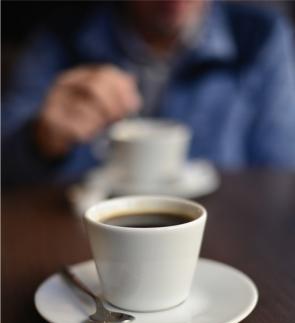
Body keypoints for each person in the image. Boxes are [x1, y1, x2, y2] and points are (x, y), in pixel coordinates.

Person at [2, 0, 295, 186]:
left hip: (222, 234)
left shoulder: (259, 37)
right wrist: (39, 140)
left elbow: (281, 173)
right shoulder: (62, 36)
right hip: (78, 235)